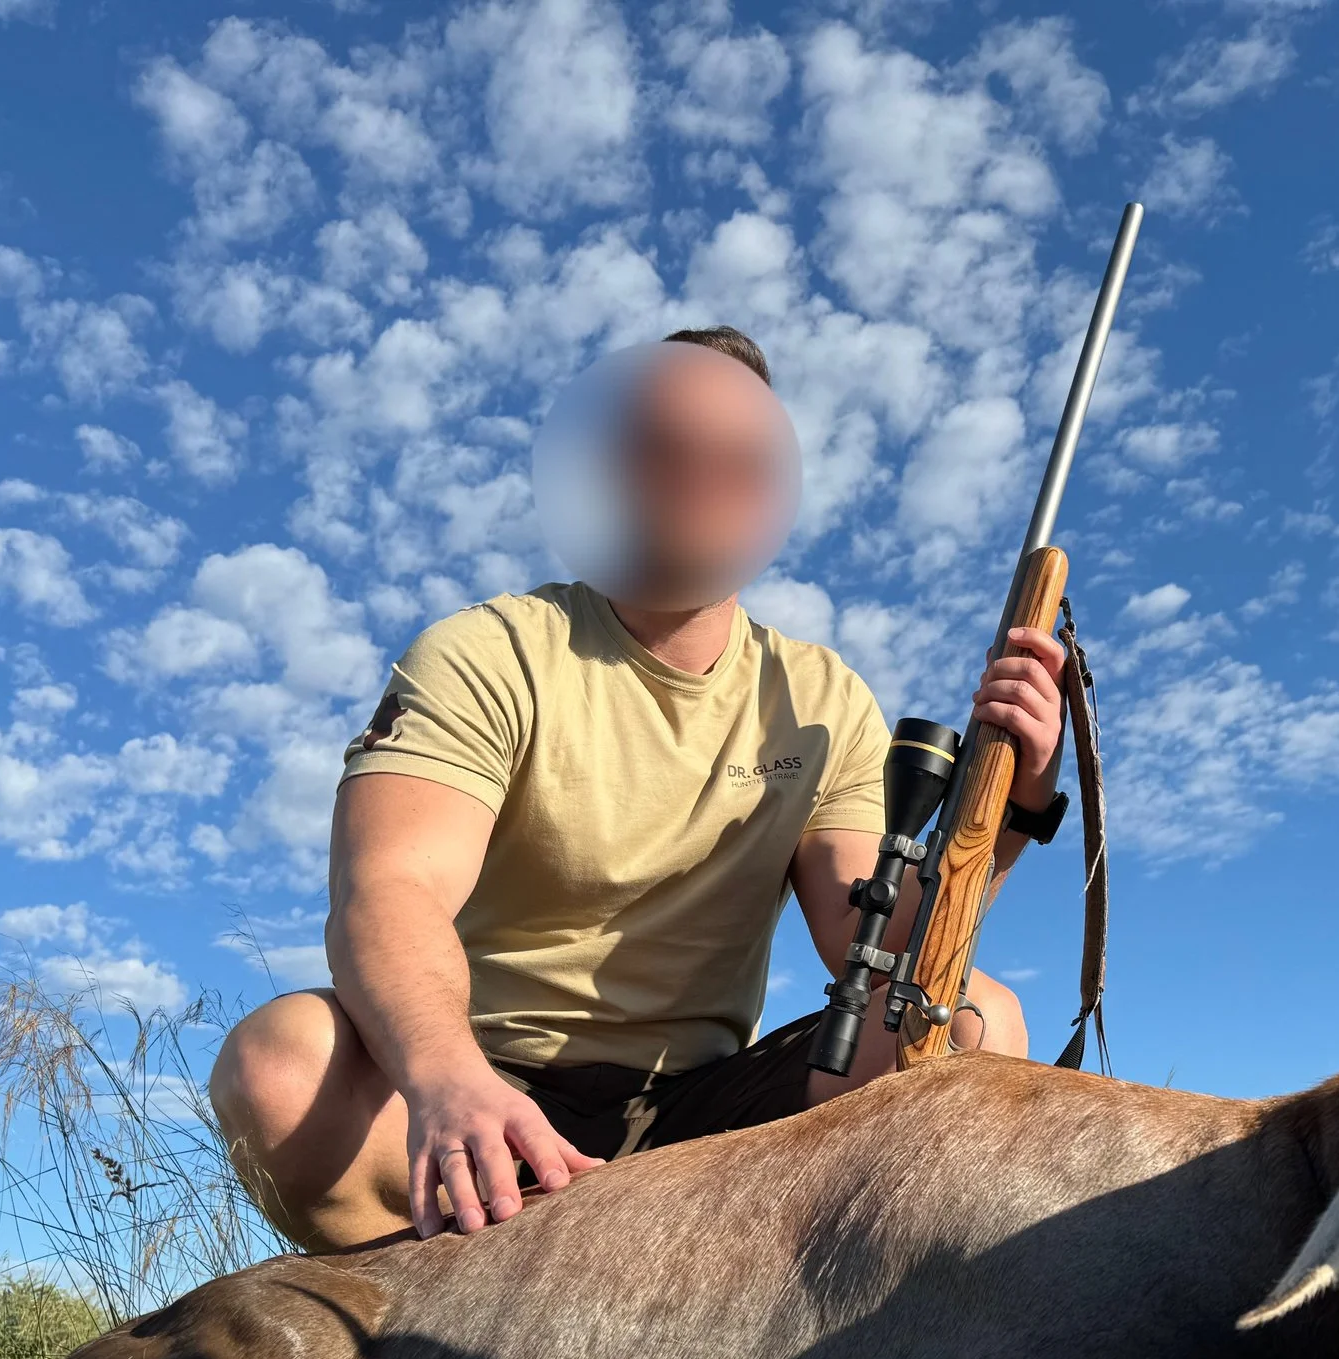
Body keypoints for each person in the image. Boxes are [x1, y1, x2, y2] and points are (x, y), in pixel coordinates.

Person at [211, 326, 1068, 1252]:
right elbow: (390, 890)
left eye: (741, 458)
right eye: (667, 449)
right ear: (611, 469)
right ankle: (420, 1295)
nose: (705, 478)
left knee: (975, 1021)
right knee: (281, 1067)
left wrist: (1011, 809)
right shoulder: (491, 650)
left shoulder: (822, 699)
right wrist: (447, 1077)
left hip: (705, 1109)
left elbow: (875, 940)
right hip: (489, 1077)